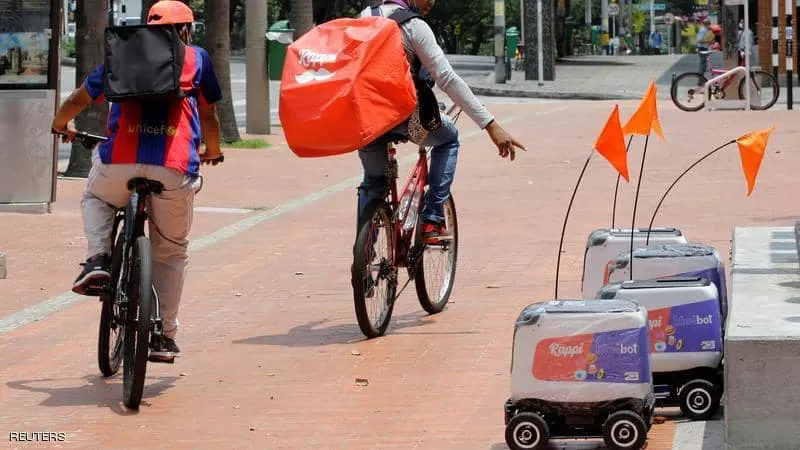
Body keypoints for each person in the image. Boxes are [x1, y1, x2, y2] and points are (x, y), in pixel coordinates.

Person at [51, 0, 224, 361]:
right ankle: (163, 334)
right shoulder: (197, 59)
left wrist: (60, 124)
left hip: (120, 163)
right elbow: (208, 114)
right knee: (171, 251)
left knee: (96, 199)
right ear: (186, 29)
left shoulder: (122, 54)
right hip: (172, 167)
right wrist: (213, 149)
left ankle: (98, 259)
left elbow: (79, 97)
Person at [357, 0, 526, 244]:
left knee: (373, 183)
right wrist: (490, 125)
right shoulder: (413, 26)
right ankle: (433, 218)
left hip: (365, 121)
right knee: (448, 139)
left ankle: (364, 253)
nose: (432, 2)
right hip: (403, 118)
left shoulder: (364, 17)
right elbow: (447, 78)